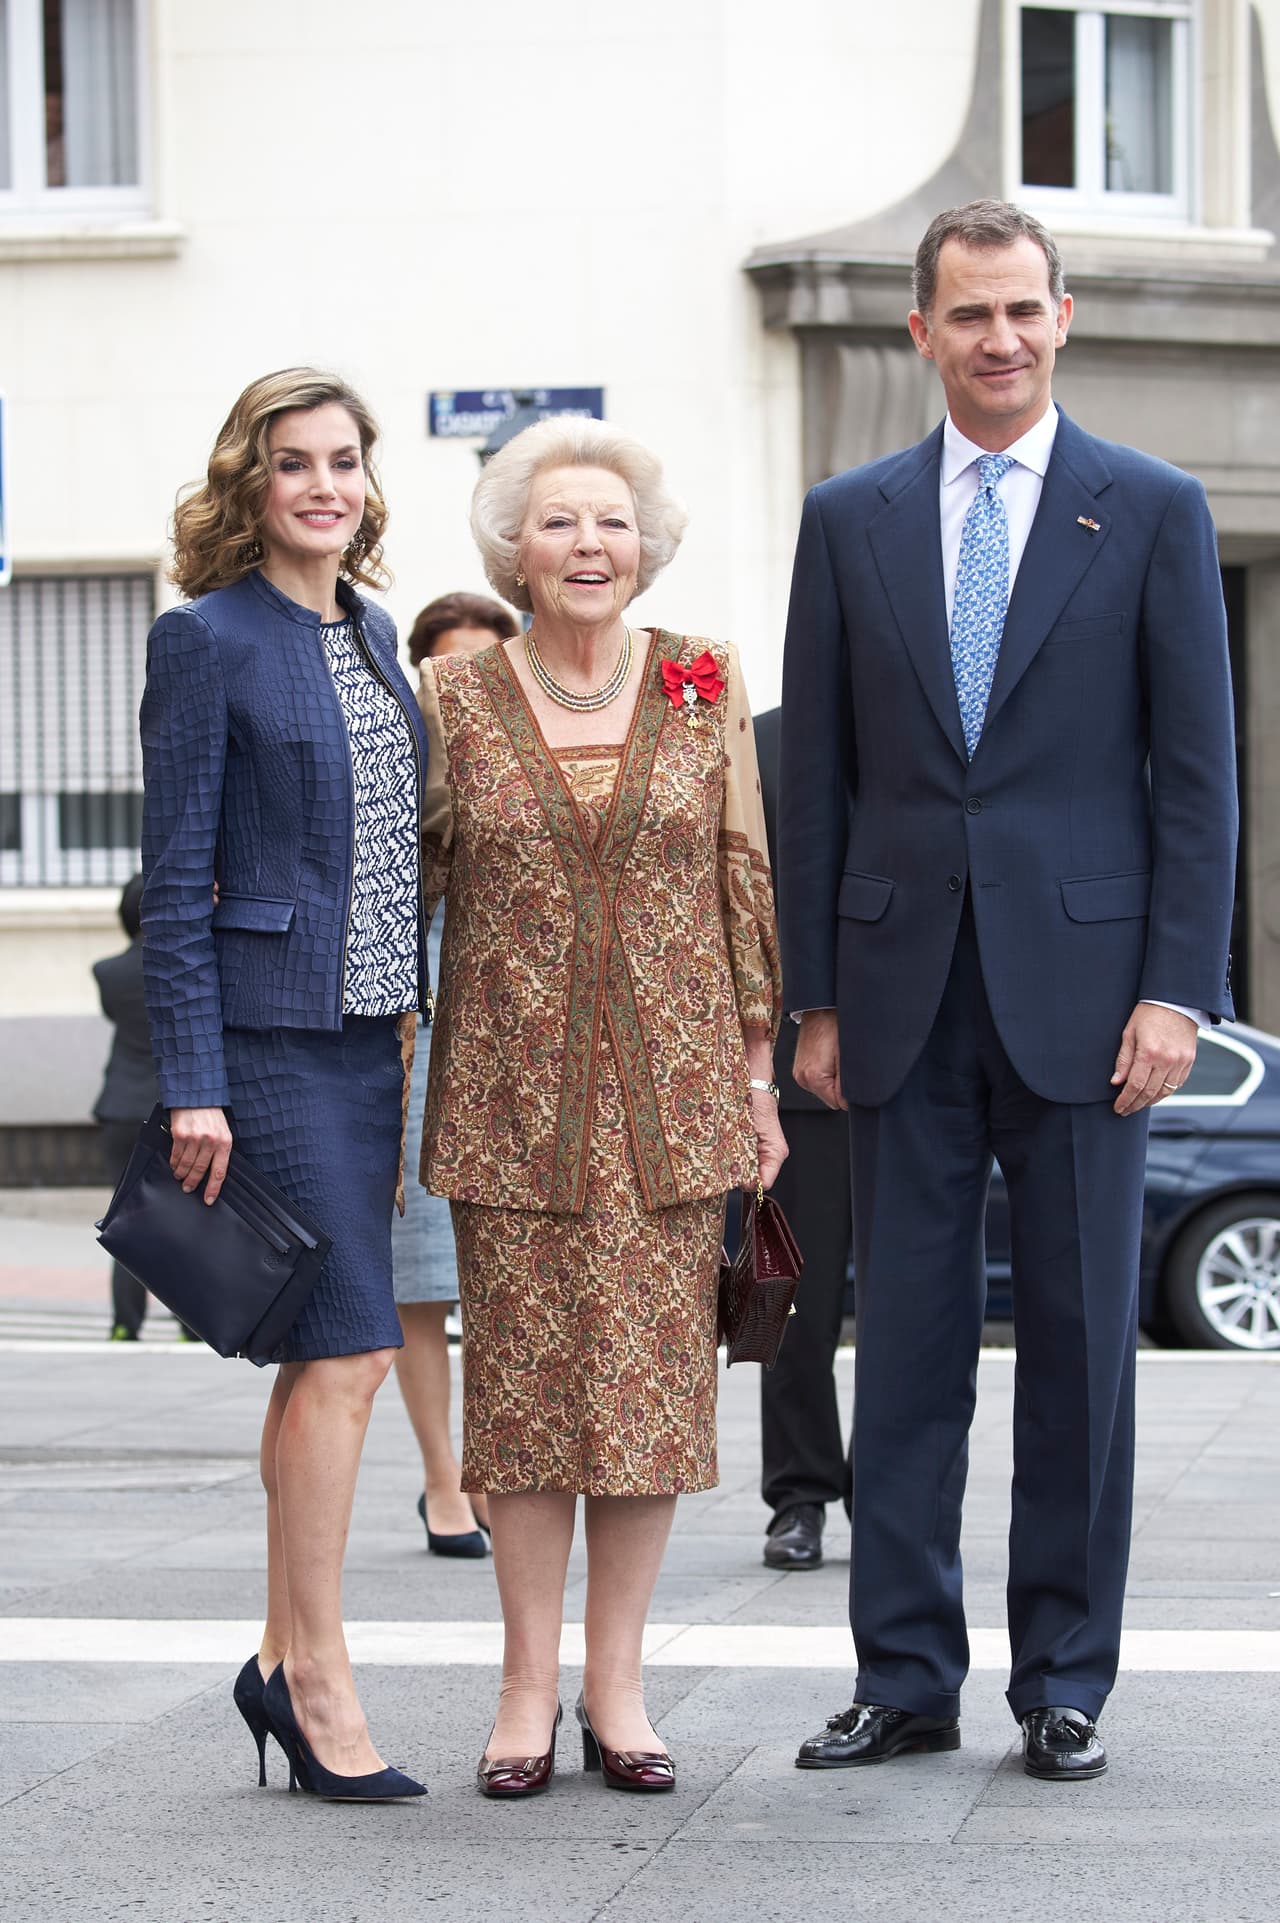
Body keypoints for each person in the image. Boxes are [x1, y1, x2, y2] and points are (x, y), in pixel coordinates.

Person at [778, 201, 1237, 1782]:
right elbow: (820, 779)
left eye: (1024, 312)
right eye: (969, 314)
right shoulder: (850, 518)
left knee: (1081, 1346)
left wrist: (1179, 987)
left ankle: (1066, 1679)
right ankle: (903, 1672)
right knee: (900, 1346)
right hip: (900, 996)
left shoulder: (1154, 509)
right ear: (923, 330)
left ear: (1063, 320)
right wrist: (815, 1000)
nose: (1000, 339)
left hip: (1094, 998)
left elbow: (1199, 779)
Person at [417, 416, 785, 1797]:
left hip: (675, 1095)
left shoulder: (701, 678)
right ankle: (524, 1690)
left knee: (646, 1406)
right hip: (512, 1100)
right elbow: (411, 896)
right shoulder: (454, 697)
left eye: (612, 522)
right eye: (560, 521)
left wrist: (758, 1076)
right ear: (515, 545)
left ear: (647, 545)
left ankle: (618, 1691)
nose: (588, 544)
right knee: (518, 1402)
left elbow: (743, 877)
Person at [139, 368, 431, 1803]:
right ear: (249, 485)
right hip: (262, 1049)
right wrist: (193, 1078)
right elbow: (176, 883)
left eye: (343, 461)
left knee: (324, 1352)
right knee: (351, 1353)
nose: (324, 484)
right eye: (293, 463)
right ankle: (318, 1680)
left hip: (366, 1043)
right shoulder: (206, 640)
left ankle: (274, 1648)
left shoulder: (376, 634)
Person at [392, 592, 517, 1557]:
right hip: (422, 993)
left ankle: (499, 1467)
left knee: (513, 1267)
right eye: (447, 670)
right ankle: (445, 1478)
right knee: (425, 1265)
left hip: (525, 998)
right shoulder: (400, 754)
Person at [752, 709, 853, 1571]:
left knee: (918, 1310)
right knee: (790, 1308)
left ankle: (894, 1488)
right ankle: (800, 1495)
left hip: (930, 1076)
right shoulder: (762, 739)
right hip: (795, 1078)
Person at [92, 873, 164, 1341]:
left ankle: (124, 1321)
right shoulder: (181, 967)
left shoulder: (107, 972)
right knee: (188, 1215)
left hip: (119, 1107)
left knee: (126, 1218)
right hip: (168, 1106)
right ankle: (191, 1323)